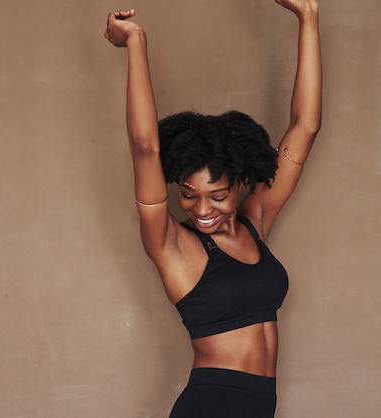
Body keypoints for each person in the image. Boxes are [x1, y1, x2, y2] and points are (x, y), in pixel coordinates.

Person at [104, 0, 321, 416]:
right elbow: (145, 147)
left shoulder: (255, 219)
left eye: (218, 195)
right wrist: (136, 43)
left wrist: (308, 15)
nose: (201, 209)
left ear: (241, 183)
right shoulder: (171, 245)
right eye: (187, 194)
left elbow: (305, 126)